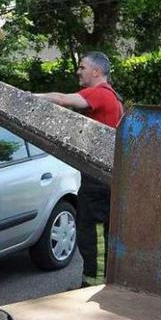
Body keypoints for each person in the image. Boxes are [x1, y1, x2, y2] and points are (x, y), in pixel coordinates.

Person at [36, 51, 124, 285]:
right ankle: (92, 283)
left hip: (99, 183)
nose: (78, 71)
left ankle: (93, 286)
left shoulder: (101, 94)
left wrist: (26, 97)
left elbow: (64, 100)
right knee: (93, 233)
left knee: (94, 235)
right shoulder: (110, 97)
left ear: (96, 71)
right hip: (99, 178)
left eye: (82, 67)